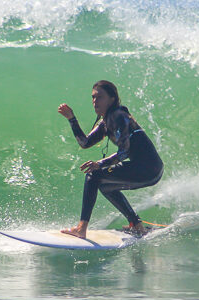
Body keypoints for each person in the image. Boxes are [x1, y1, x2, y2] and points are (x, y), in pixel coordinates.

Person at [58, 80, 163, 239]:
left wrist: (98, 164)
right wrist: (72, 119)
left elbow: (124, 152)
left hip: (148, 167)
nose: (95, 101)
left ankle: (81, 228)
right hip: (148, 169)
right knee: (106, 187)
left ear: (112, 99)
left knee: (93, 176)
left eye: (100, 97)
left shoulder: (119, 116)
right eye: (93, 97)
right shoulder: (106, 122)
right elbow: (84, 143)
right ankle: (136, 224)